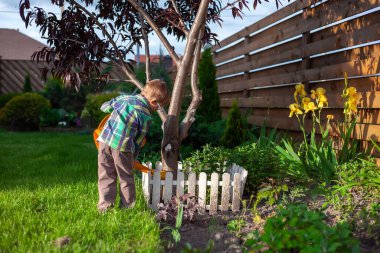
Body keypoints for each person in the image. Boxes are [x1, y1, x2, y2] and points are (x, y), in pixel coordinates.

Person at [96, 79, 169, 212]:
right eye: (159, 106)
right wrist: (133, 157)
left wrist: (107, 108)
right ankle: (127, 208)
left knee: (105, 174)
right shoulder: (145, 115)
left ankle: (105, 208)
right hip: (122, 147)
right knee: (125, 177)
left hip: (105, 140)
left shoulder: (126, 98)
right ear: (153, 102)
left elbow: (107, 106)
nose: (158, 109)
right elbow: (139, 140)